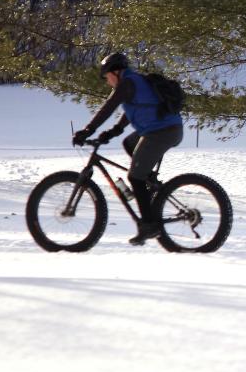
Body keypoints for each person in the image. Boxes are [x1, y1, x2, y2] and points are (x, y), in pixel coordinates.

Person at [74, 52, 184, 245]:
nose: (107, 81)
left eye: (107, 76)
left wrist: (88, 130)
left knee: (134, 177)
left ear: (115, 72)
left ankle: (149, 226)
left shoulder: (127, 83)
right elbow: (132, 110)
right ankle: (149, 183)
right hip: (166, 129)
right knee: (129, 143)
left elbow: (109, 107)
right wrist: (113, 131)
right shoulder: (134, 82)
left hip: (161, 132)